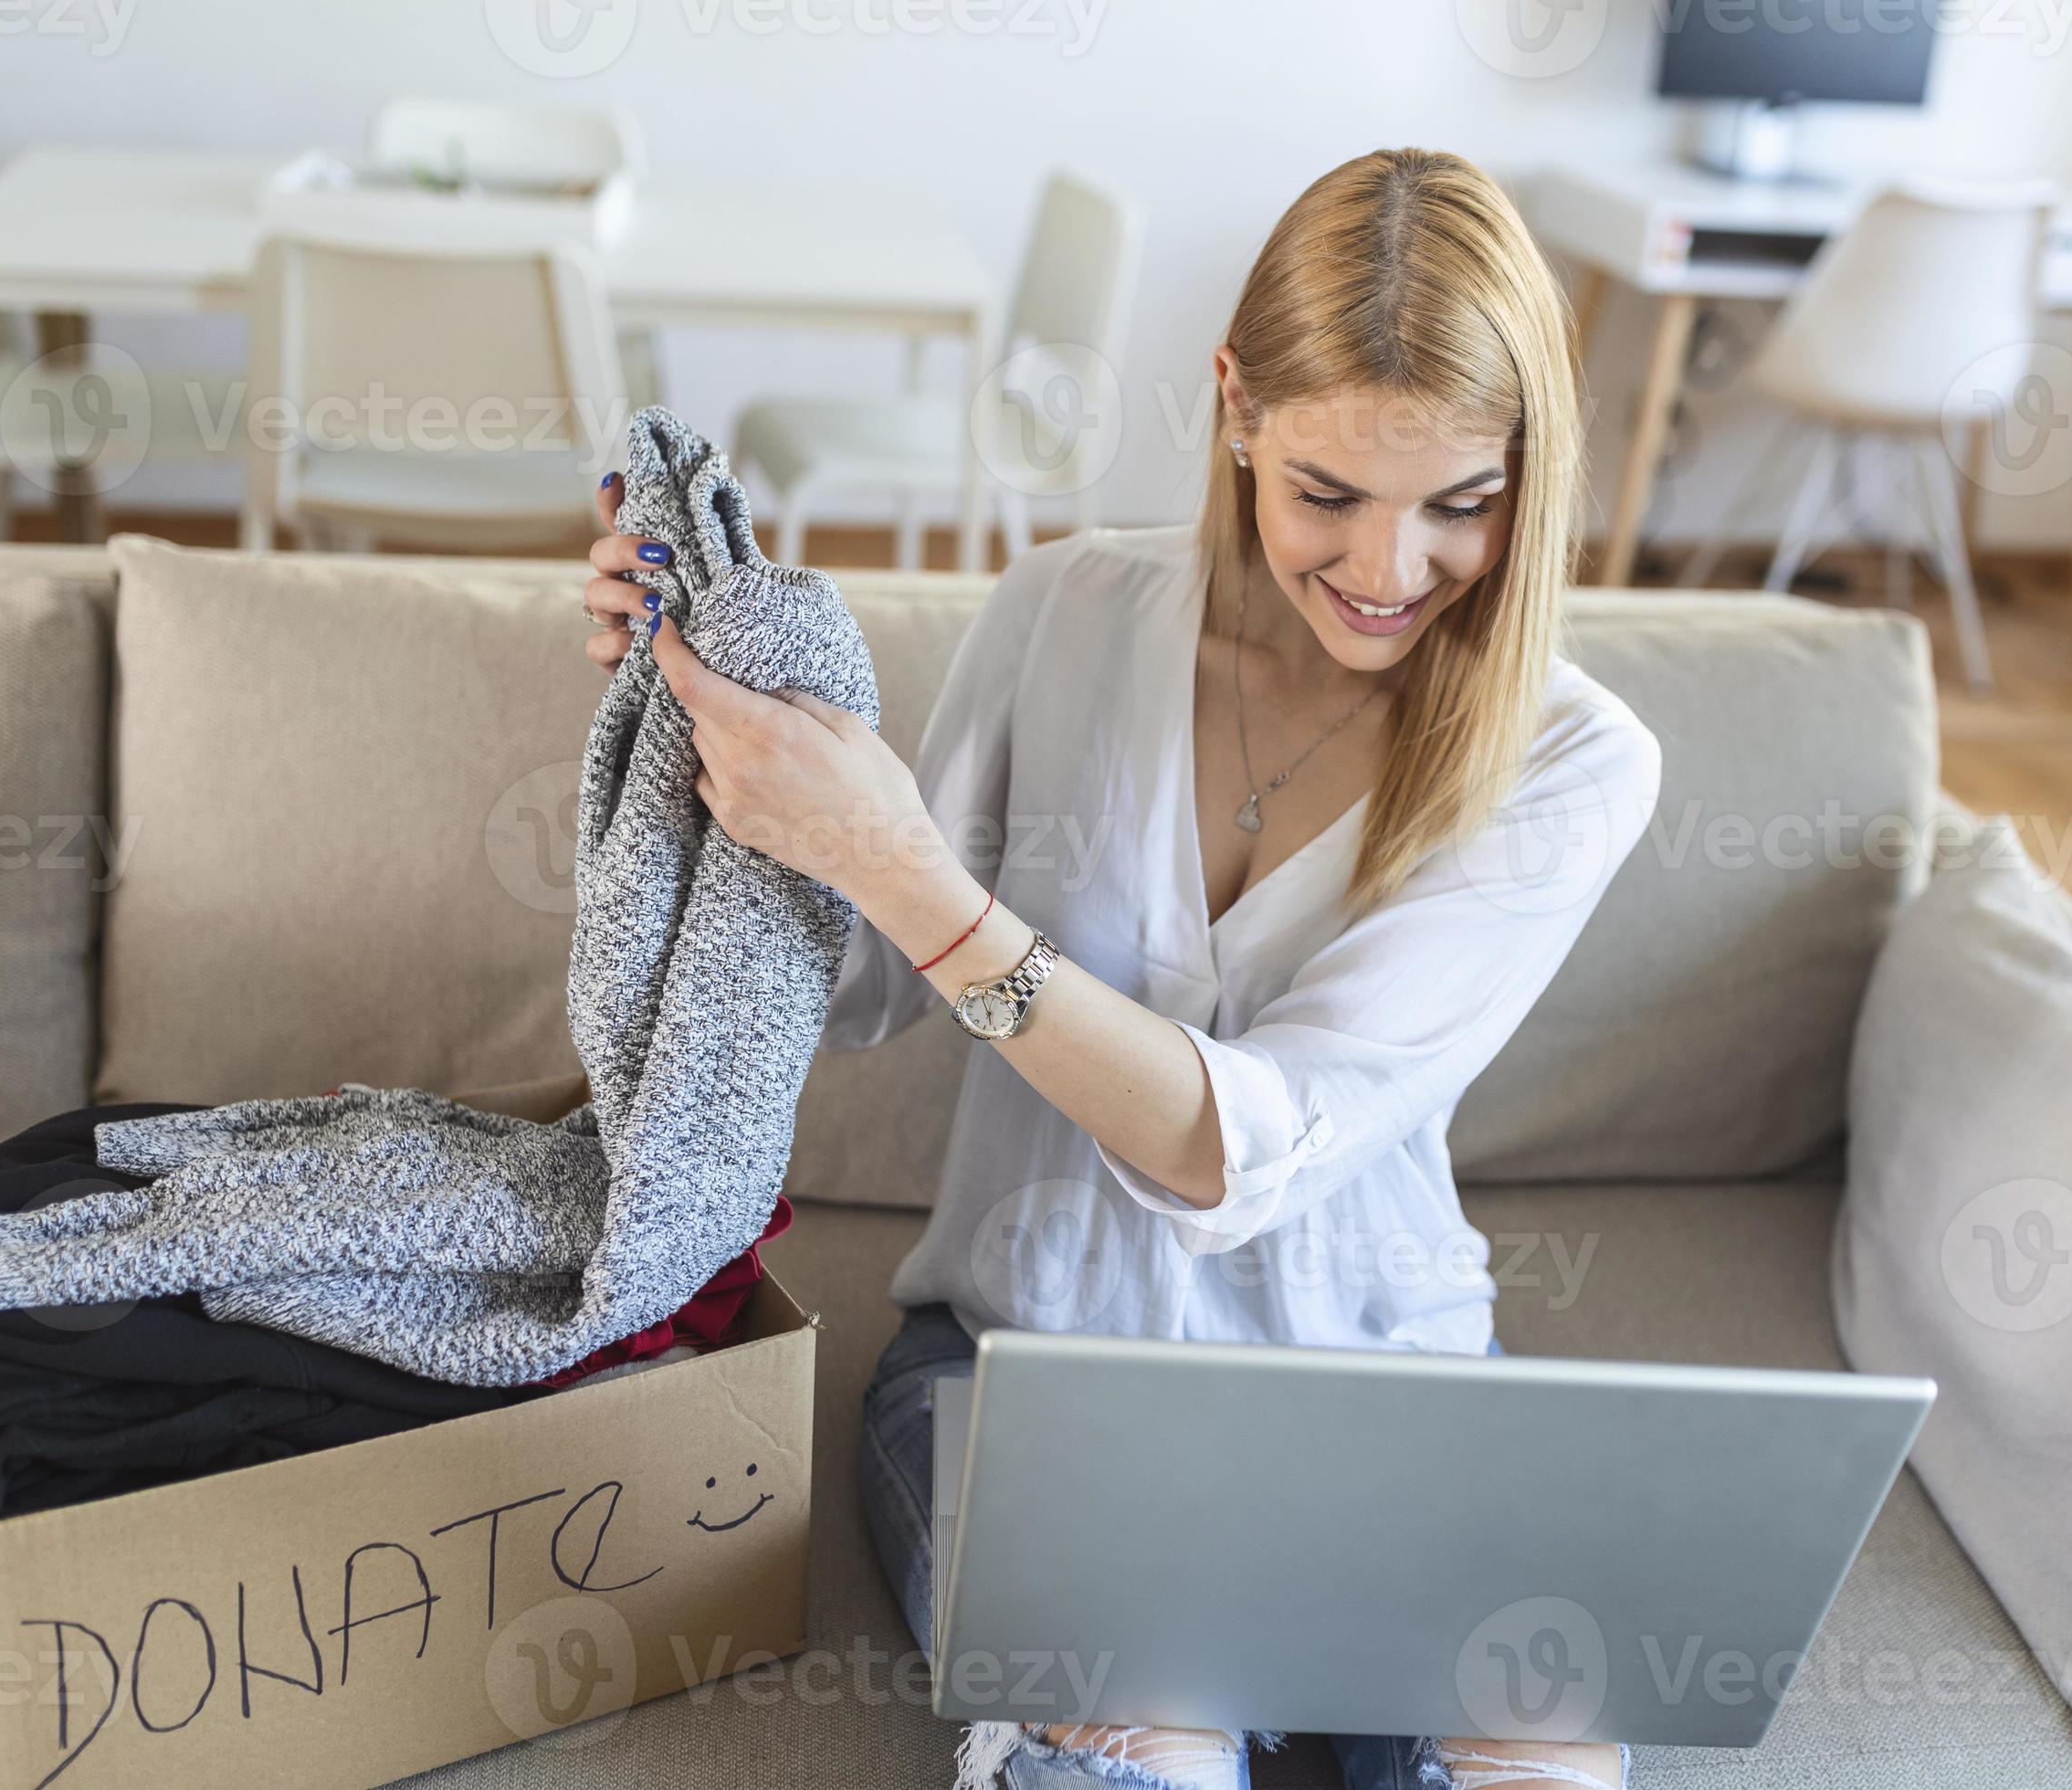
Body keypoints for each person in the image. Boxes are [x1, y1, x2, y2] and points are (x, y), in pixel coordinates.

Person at [579, 147, 1658, 1790]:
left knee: (1546, 1745)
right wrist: (694, 710)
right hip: (1029, 1376)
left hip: (1389, 1393)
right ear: (1235, 406)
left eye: (1462, 505)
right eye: (1328, 494)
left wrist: (910, 872)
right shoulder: (1068, 609)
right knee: (1144, 1724)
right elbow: (862, 983)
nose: (1387, 571)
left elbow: (1241, 1146)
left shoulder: (1575, 758)